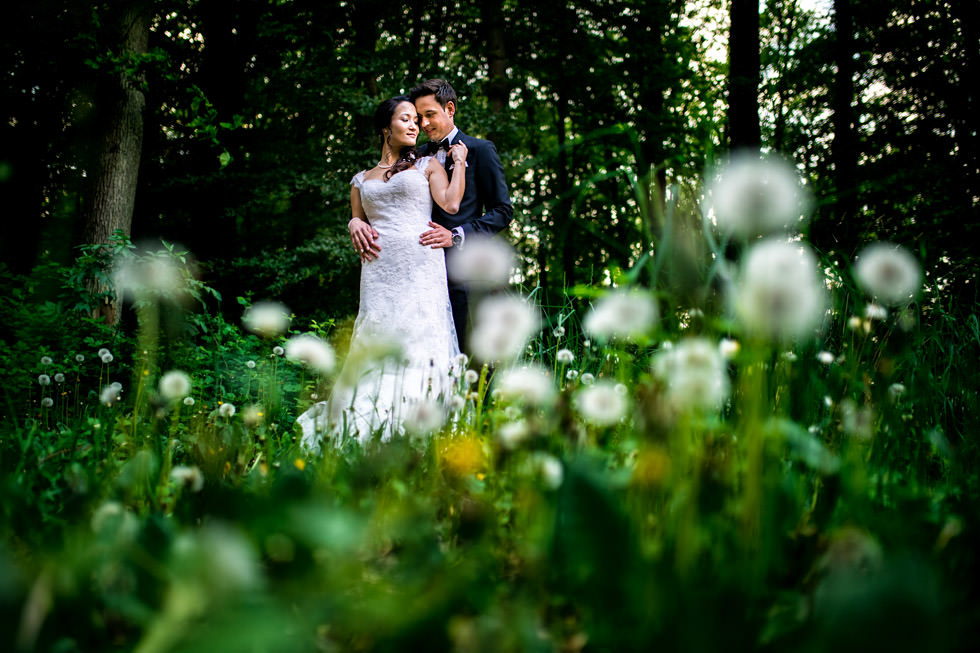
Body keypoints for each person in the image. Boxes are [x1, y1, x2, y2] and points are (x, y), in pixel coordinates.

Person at [297, 96, 468, 449]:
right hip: (378, 270)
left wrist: (460, 163)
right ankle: (363, 421)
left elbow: (450, 203)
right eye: (405, 118)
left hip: (421, 265)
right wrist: (353, 222)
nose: (414, 125)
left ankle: (421, 423)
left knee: (419, 336)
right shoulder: (360, 179)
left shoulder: (428, 165)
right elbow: (359, 217)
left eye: (416, 120)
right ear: (385, 128)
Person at [349, 79, 514, 352]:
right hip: (412, 271)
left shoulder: (481, 150)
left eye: (429, 115)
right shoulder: (415, 156)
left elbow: (503, 211)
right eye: (417, 117)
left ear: (450, 109)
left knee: (467, 355)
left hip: (463, 272)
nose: (422, 124)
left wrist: (456, 235)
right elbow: (382, 193)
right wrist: (355, 219)